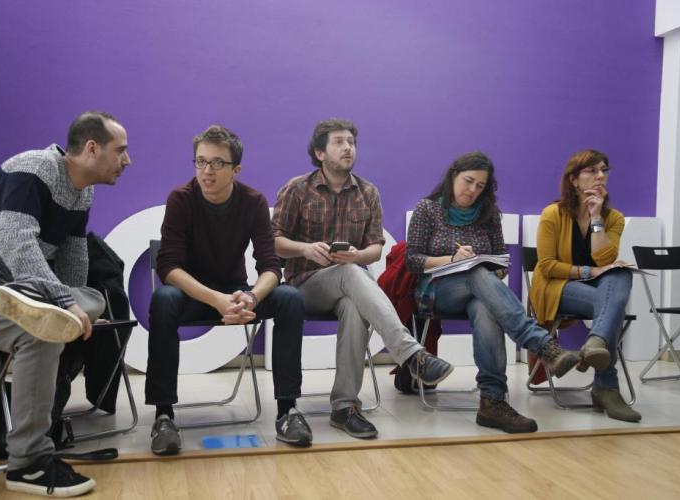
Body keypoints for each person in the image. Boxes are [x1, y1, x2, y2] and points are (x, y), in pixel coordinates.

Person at [0, 111, 131, 496]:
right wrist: (65, 303)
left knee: (91, 300)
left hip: (5, 286)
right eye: (121, 150)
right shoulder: (32, 168)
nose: (127, 160)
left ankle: (35, 302)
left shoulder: (82, 192)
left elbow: (73, 258)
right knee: (41, 328)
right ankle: (29, 463)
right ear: (92, 148)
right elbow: (17, 244)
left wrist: (78, 308)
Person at [272, 118, 453, 439]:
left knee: (354, 304)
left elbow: (375, 249)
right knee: (350, 274)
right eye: (339, 142)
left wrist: (357, 255)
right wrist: (306, 249)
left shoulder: (368, 192)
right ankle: (412, 354)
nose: (348, 148)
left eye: (351, 142)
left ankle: (344, 407)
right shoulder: (297, 189)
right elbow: (274, 241)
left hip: (349, 284)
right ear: (319, 153)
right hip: (304, 285)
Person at [146, 125, 311, 455]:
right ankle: (163, 416)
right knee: (163, 299)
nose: (207, 171)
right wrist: (216, 300)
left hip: (237, 294)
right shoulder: (181, 199)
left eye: (217, 163)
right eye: (201, 161)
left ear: (236, 169)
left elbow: (270, 266)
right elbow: (168, 267)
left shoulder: (252, 201)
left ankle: (287, 411)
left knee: (290, 298)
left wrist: (251, 296)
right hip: (193, 296)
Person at [405, 151, 580, 434]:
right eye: (468, 181)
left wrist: (487, 269)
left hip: (479, 292)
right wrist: (453, 260)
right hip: (437, 291)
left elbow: (502, 262)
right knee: (475, 273)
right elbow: (412, 261)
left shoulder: (489, 215)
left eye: (480, 186)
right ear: (453, 176)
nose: (472, 190)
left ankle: (492, 401)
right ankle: (541, 344)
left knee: (484, 305)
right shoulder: (427, 209)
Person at [531, 149, 640, 422]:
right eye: (592, 170)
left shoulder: (613, 218)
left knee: (621, 274)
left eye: (604, 170)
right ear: (574, 180)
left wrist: (596, 218)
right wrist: (590, 271)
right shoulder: (552, 214)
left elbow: (606, 259)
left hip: (599, 289)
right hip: (556, 288)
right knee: (612, 306)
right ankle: (607, 388)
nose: (600, 176)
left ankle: (595, 342)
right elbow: (547, 266)